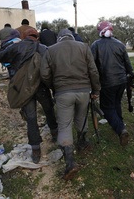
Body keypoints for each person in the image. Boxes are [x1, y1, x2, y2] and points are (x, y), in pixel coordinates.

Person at [40, 28, 100, 180]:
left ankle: (70, 163)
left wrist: (54, 87)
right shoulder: (84, 46)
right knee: (81, 118)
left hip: (63, 92)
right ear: (72, 37)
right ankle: (82, 143)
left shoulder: (50, 50)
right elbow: (93, 70)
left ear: (59, 38)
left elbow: (45, 74)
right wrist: (96, 90)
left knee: (65, 125)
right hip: (83, 91)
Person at [0, 28, 58, 164]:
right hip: (41, 87)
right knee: (49, 110)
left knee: (31, 118)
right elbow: (51, 68)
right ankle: (55, 134)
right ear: (37, 37)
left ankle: (36, 150)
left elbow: (0, 57)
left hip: (24, 89)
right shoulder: (43, 48)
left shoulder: (16, 47)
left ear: (23, 36)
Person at [90, 21, 134, 146]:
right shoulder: (120, 44)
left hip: (106, 81)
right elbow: (127, 63)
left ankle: (120, 129)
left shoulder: (96, 45)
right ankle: (119, 124)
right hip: (121, 81)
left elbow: (91, 65)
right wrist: (131, 74)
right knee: (116, 103)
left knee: (106, 107)